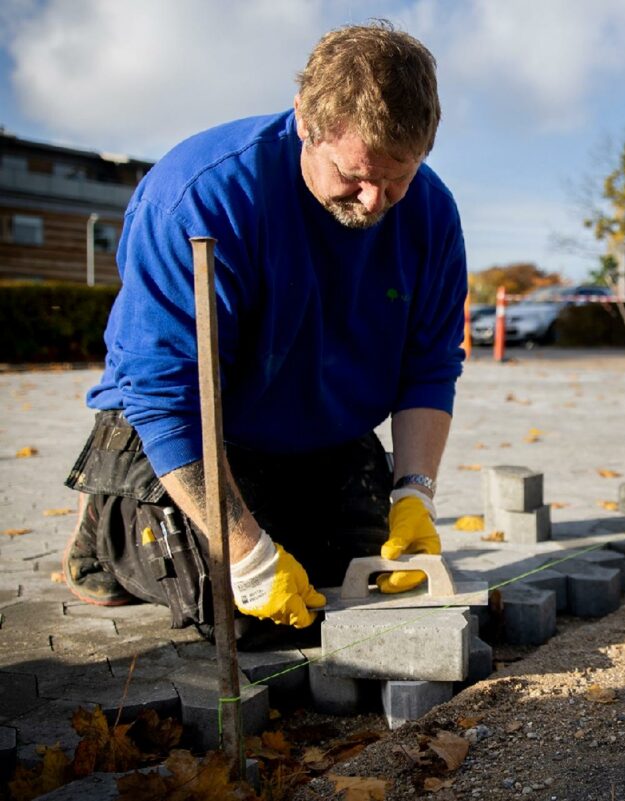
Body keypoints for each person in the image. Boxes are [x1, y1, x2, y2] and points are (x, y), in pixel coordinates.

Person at [61, 21, 466, 638]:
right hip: (192, 434)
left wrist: (414, 493)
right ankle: (109, 524)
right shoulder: (200, 197)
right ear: (306, 120)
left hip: (322, 438)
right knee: (245, 613)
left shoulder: (431, 216)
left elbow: (430, 364)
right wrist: (247, 558)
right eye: (354, 176)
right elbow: (165, 399)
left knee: (349, 590)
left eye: (398, 179)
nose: (374, 201)